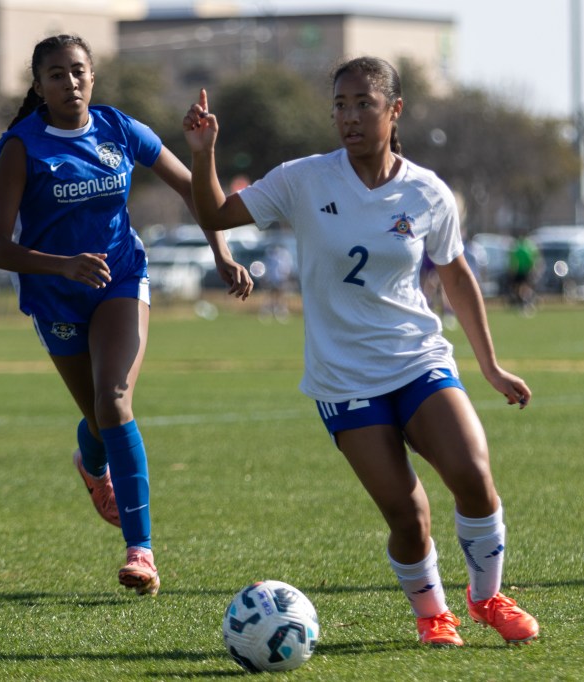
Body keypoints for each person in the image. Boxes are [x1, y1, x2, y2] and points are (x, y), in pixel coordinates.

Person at [183, 57, 539, 646]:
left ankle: (488, 598)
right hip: (344, 379)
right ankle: (433, 616)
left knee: (474, 477)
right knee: (408, 514)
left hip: (417, 359)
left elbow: (455, 277)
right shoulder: (304, 178)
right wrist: (202, 154)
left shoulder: (428, 192)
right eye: (340, 106)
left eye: (363, 104)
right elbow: (217, 213)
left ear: (393, 110)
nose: (348, 117)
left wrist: (491, 365)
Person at [0, 34, 253, 596]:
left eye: (77, 71)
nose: (69, 82)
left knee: (115, 401)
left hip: (120, 279)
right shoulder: (22, 148)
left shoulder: (120, 129)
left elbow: (195, 191)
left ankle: (141, 552)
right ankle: (91, 459)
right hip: (56, 294)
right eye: (55, 74)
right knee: (100, 418)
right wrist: (62, 266)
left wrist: (221, 250)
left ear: (93, 76)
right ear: (39, 85)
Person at [506, 232, 538, 316]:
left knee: (524, 288)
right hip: (521, 271)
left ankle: (526, 302)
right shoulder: (522, 247)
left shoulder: (522, 248)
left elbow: (530, 260)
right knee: (520, 288)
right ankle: (523, 302)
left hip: (524, 271)